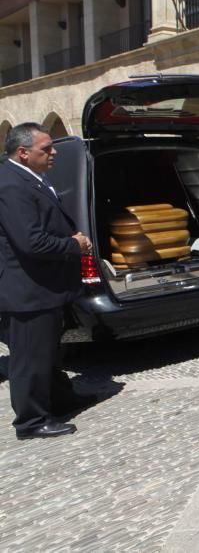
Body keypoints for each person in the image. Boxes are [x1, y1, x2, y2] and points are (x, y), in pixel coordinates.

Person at [0, 122, 93, 439]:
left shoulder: (28, 177)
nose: (54, 152)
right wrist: (74, 245)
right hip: (27, 290)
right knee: (29, 359)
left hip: (43, 286)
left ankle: (59, 399)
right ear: (23, 153)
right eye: (46, 148)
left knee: (47, 353)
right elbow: (31, 241)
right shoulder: (11, 185)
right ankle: (31, 421)